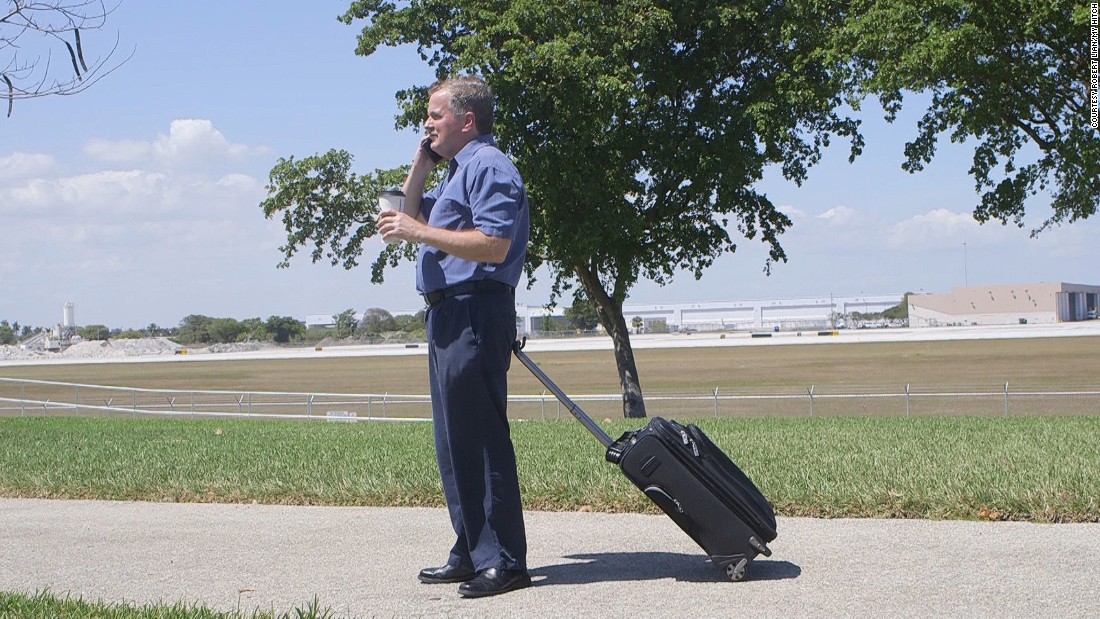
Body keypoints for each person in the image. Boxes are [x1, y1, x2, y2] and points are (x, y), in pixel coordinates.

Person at [376, 75, 531, 598]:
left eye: (435, 116)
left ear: (467, 120)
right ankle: (470, 549)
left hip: (475, 310)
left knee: (482, 440)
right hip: (447, 315)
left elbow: (492, 245)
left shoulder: (490, 166)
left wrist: (417, 233)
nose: (427, 123)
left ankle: (505, 560)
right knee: (454, 442)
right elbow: (409, 210)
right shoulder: (461, 171)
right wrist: (422, 162)